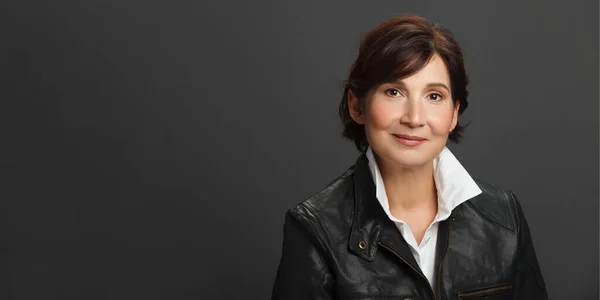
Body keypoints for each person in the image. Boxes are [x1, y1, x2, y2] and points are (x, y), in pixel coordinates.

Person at [271, 15, 548, 300]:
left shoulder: (503, 217)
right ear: (357, 105)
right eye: (394, 92)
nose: (414, 118)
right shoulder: (315, 228)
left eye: (434, 96)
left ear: (454, 113)